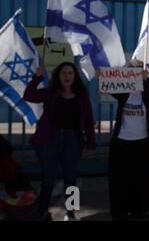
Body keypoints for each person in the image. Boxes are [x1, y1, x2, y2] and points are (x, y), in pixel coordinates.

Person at [23, 62, 96, 221]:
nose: (67, 76)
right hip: (50, 141)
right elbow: (28, 95)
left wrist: (91, 143)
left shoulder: (82, 96)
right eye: (64, 73)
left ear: (75, 76)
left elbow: (88, 121)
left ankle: (71, 213)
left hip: (72, 142)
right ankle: (42, 211)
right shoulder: (50, 92)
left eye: (70, 73)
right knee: (48, 179)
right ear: (58, 76)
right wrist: (37, 77)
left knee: (71, 179)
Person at [105, 59, 149, 221]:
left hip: (142, 141)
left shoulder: (146, 90)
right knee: (119, 178)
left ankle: (138, 209)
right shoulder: (123, 90)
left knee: (140, 178)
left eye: (137, 69)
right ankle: (118, 210)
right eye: (131, 70)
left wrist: (145, 80)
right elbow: (109, 86)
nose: (134, 72)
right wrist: (103, 77)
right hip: (121, 141)